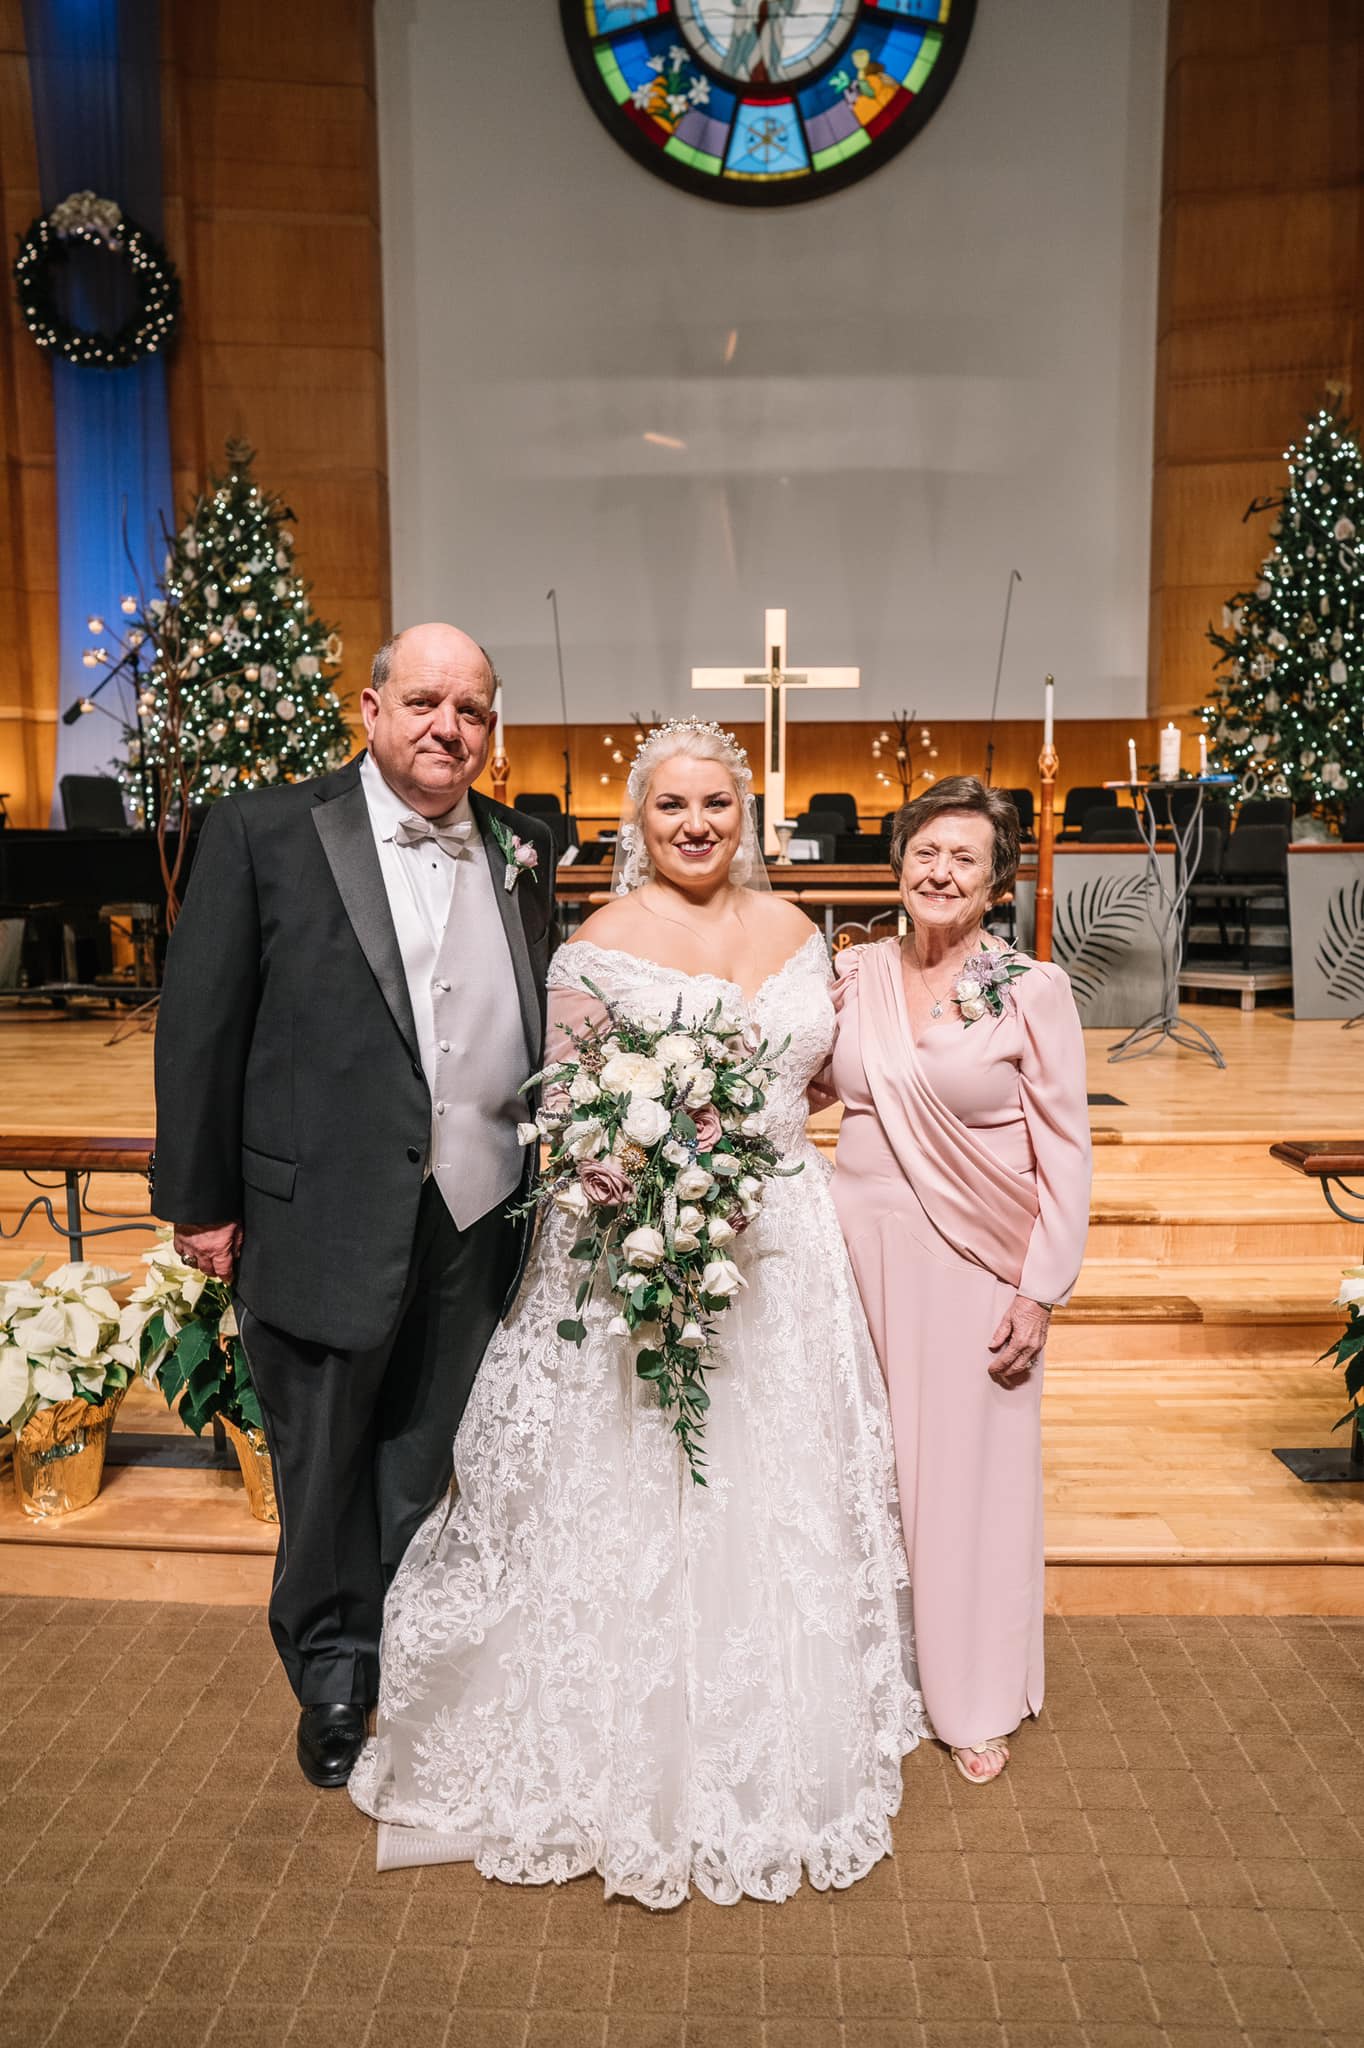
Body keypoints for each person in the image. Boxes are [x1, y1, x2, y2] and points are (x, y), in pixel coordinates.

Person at [348, 718, 925, 1907]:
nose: (696, 824)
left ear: (745, 814)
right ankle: (620, 1722)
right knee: (633, 1472)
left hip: (784, 1243)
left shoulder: (800, 932)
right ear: (637, 820)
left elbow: (821, 1072)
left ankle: (774, 1712)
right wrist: (627, 1167)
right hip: (640, 1243)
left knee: (773, 1481)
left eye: (716, 804)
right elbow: (566, 1106)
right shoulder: (595, 944)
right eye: (672, 805)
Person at [152, 623, 555, 1790]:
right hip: (319, 1206)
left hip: (477, 1203)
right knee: (324, 1455)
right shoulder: (265, 830)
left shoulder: (523, 845)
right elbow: (202, 1023)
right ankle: (330, 1667)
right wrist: (202, 1202)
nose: (448, 727)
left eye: (470, 709)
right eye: (424, 701)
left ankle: (401, 1639)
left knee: (424, 1449)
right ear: (370, 709)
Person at [822, 777, 1091, 1784]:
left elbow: (1067, 1147)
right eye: (925, 852)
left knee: (964, 1479)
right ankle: (864, 1676)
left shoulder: (1030, 988)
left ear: (995, 883)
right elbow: (804, 1085)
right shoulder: (851, 972)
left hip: (974, 1259)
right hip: (849, 1251)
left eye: (963, 858)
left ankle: (971, 1695)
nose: (939, 872)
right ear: (898, 863)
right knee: (858, 1468)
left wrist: (1039, 1288)